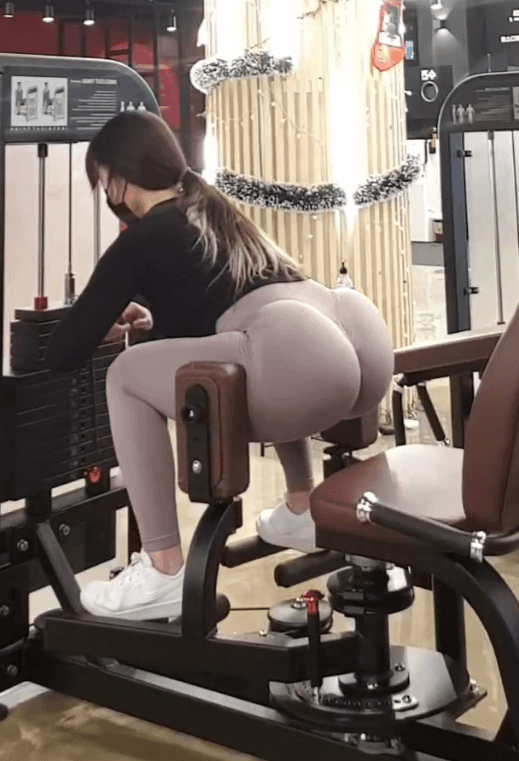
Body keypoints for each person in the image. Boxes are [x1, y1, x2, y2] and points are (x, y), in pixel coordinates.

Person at [45, 112, 395, 621]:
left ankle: (162, 568)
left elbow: (64, 352)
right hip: (355, 338)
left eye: (102, 181)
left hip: (299, 358)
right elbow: (226, 315)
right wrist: (153, 322)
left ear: (117, 179)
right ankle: (302, 506)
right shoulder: (214, 209)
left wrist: (101, 326)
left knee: (125, 376)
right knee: (260, 347)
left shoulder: (145, 235)